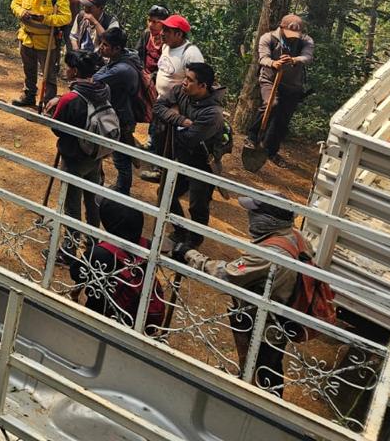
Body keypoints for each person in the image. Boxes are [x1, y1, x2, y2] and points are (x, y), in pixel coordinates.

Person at [184, 194, 313, 396]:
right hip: (283, 314)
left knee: (264, 366)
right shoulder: (296, 236)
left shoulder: (270, 253)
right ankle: (259, 390)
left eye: (255, 212)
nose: (250, 216)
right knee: (269, 363)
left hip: (266, 320)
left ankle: (262, 401)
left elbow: (227, 273)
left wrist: (191, 255)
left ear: (269, 219)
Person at [155, 62, 223, 255]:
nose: (184, 82)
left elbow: (189, 139)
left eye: (190, 80)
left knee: (198, 205)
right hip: (180, 159)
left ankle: (193, 240)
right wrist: (179, 119)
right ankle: (180, 231)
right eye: (185, 77)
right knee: (165, 195)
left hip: (202, 165)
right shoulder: (181, 90)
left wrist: (172, 117)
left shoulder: (213, 114)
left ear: (203, 86)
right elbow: (158, 106)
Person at [72, 198, 166, 333]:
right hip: (142, 316)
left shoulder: (101, 253)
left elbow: (76, 273)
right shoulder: (148, 246)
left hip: (102, 317)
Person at [49, 49, 110, 253]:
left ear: (74, 71)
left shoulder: (70, 99)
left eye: (68, 67)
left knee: (71, 206)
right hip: (95, 155)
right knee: (92, 201)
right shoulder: (103, 89)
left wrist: (58, 102)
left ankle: (69, 248)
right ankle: (94, 244)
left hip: (73, 158)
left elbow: (57, 127)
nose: (66, 70)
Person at [253, 14, 315, 166]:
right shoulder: (268, 38)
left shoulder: (306, 41)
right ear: (281, 28)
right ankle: (252, 137)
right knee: (271, 104)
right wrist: (274, 63)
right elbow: (263, 58)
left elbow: (308, 57)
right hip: (270, 80)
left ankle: (270, 151)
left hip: (293, 86)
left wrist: (294, 60)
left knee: (282, 120)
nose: (292, 38)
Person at [10, 0, 72, 107]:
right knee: (28, 69)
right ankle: (29, 95)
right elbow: (15, 4)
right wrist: (21, 12)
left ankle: (47, 103)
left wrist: (44, 18)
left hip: (46, 41)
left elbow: (66, 18)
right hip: (26, 37)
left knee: (48, 74)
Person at [94, 26, 142, 194]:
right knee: (118, 153)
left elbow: (95, 78)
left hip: (122, 118)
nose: (101, 48)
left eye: (105, 45)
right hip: (118, 114)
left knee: (121, 158)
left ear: (117, 48)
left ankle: (123, 191)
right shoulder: (121, 59)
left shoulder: (122, 69)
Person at [154, 14, 204, 100]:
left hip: (175, 105)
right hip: (161, 100)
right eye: (163, 29)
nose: (162, 33)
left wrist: (178, 105)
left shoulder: (191, 54)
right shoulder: (166, 46)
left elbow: (196, 86)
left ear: (179, 34)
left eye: (167, 31)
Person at [137, 5, 170, 76]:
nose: (150, 25)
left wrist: (151, 77)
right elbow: (137, 54)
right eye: (149, 20)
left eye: (155, 22)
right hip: (143, 74)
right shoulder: (147, 34)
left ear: (164, 24)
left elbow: (167, 67)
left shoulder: (168, 41)